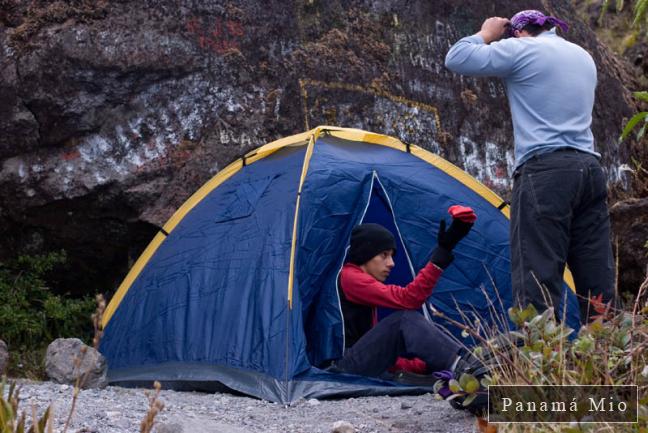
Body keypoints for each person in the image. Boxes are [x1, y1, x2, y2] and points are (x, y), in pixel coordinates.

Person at [444, 10, 615, 321]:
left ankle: (543, 356)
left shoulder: (521, 48)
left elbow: (457, 57)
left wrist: (486, 33)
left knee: (537, 270)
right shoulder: (582, 56)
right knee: (595, 269)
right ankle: (607, 352)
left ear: (520, 32)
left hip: (545, 171)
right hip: (589, 169)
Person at [331, 205, 476, 378]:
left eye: (391, 255)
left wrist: (425, 364)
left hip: (354, 362)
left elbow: (381, 351)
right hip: (345, 366)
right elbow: (409, 299)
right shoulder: (350, 277)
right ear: (365, 254)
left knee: (408, 326)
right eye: (384, 255)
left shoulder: (357, 283)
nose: (391, 263)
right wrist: (442, 254)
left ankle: (470, 361)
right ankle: (466, 369)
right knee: (403, 320)